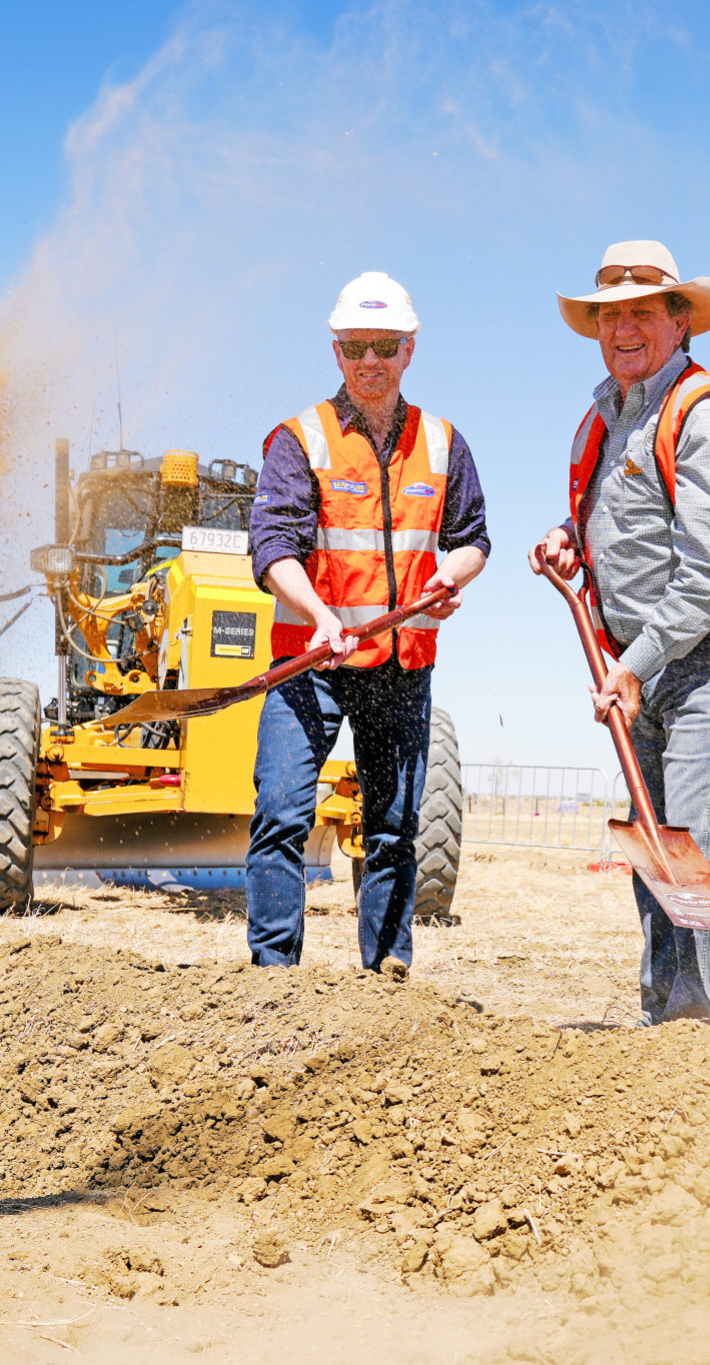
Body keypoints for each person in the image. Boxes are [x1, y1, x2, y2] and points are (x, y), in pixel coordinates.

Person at [532, 241, 710, 1025]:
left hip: (709, 657)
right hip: (640, 661)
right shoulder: (604, 418)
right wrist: (568, 537)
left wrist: (636, 663)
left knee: (687, 835)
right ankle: (661, 1018)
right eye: (610, 314)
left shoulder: (706, 413)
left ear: (680, 319)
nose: (624, 328)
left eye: (642, 312)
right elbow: (623, 520)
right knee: (650, 843)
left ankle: (696, 1031)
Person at [246, 271, 490, 975]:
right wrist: (320, 615)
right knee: (283, 818)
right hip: (310, 664)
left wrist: (452, 576)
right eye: (356, 347)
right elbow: (272, 548)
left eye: (384, 345)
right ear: (336, 352)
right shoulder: (300, 440)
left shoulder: (443, 444)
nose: (370, 361)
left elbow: (473, 537)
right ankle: (273, 983)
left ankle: (386, 976)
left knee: (392, 830)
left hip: (400, 666)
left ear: (410, 348)